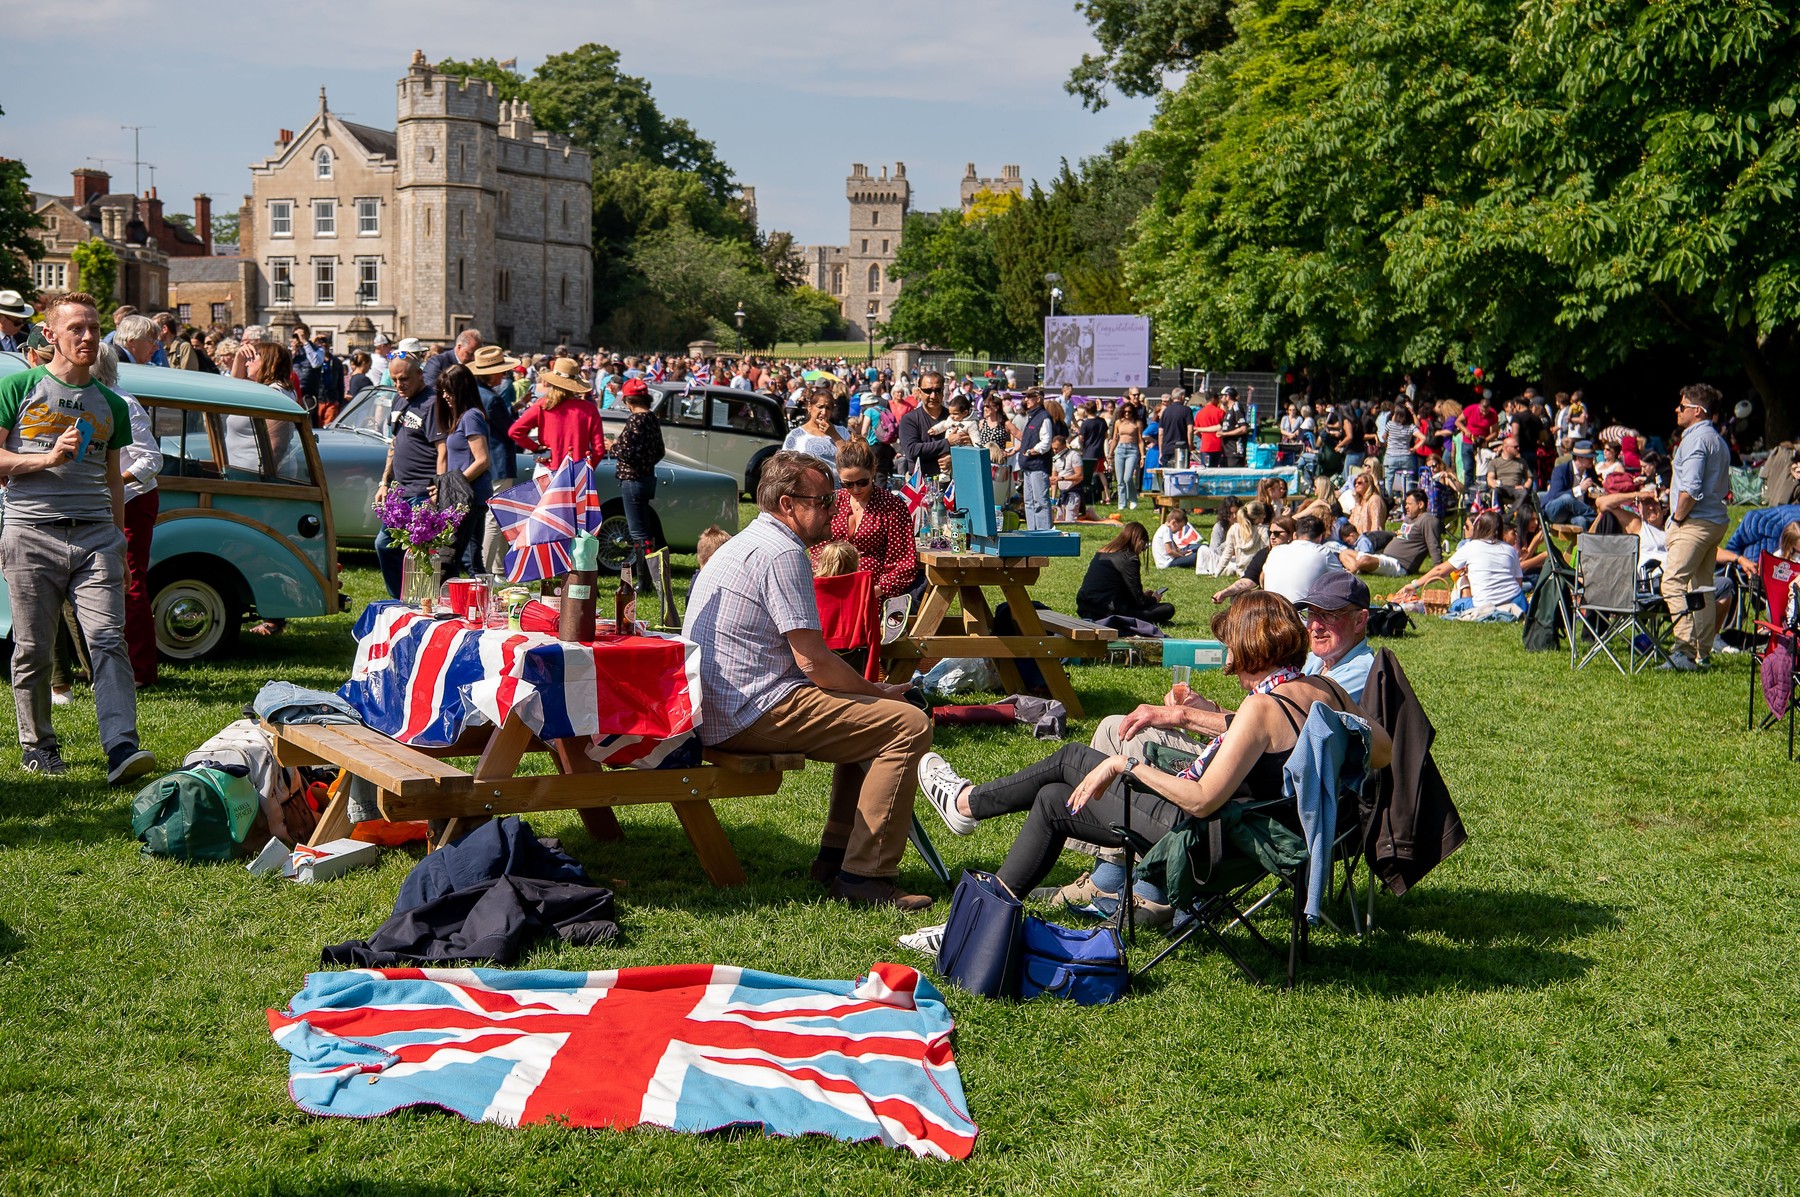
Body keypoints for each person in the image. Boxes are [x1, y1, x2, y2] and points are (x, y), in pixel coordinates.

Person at [915, 591, 1390, 918]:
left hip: (1211, 843)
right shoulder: (1323, 690)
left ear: (1249, 648)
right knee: (1054, 799)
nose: (1227, 660)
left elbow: (1202, 798)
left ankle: (965, 804)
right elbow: (1383, 750)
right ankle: (987, 907)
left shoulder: (1261, 708)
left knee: (1072, 759)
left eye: (1230, 648)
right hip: (1262, 833)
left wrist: (1127, 764)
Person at [682, 451, 934, 911]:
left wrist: (863, 692)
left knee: (874, 722)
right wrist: (875, 689)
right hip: (751, 710)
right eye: (822, 502)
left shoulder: (745, 542)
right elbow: (814, 662)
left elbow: (812, 665)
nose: (833, 511)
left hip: (723, 706)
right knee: (907, 723)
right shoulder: (782, 552)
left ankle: (836, 858)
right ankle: (866, 877)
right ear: (786, 505)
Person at [0, 292, 157, 783]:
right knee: (33, 647)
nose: (88, 337)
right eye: (76, 329)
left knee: (108, 639)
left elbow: (114, 478)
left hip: (96, 537)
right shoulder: (19, 387)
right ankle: (39, 745)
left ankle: (121, 746)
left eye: (93, 327)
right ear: (50, 336)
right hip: (30, 532)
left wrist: (117, 538)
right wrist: (47, 459)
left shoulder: (111, 403)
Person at [90, 344, 162, 689]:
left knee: (129, 583)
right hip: (100, 501)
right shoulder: (88, 400)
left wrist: (112, 483)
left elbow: (150, 460)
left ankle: (141, 671)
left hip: (132, 501)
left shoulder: (124, 403)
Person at [1660, 383, 1731, 670]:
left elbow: (1689, 490)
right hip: (1714, 520)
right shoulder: (1717, 440)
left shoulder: (1694, 440)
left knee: (1672, 581)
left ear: (1697, 411)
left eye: (1682, 406)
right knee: (1701, 586)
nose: (1677, 410)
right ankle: (1702, 653)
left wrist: (1677, 519)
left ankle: (1684, 651)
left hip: (1694, 521)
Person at [372, 356, 444, 598]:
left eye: (404, 379)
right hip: (400, 491)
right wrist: (384, 482)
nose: (399, 384)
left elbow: (442, 448)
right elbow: (395, 443)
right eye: (394, 379)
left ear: (419, 375)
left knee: (421, 552)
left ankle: (422, 602)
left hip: (423, 489)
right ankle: (400, 598)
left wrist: (439, 486)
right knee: (384, 544)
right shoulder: (398, 400)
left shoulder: (432, 403)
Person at [818, 439, 919, 602]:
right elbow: (818, 545)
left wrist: (875, 591)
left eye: (862, 482)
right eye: (848, 484)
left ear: (873, 470)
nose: (856, 489)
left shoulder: (891, 506)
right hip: (830, 588)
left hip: (872, 593)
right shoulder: (834, 500)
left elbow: (904, 562)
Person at [1396, 510, 1525, 616]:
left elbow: (1440, 571)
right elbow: (1518, 583)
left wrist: (1414, 585)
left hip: (1484, 604)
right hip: (1517, 601)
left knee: (1457, 600)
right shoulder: (1510, 549)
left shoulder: (1471, 546)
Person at [437, 364, 492, 576]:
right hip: (464, 497)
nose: (444, 396)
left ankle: (470, 603)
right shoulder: (462, 417)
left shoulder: (471, 417)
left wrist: (451, 486)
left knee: (455, 558)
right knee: (469, 560)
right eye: (442, 391)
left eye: (449, 391)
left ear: (462, 390)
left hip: (468, 498)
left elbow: (482, 460)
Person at [608, 378, 665, 581]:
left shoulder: (635, 420)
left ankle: (644, 580)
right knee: (645, 531)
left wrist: (612, 446)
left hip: (632, 480)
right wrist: (646, 464)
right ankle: (649, 576)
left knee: (638, 533)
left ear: (627, 401)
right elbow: (660, 451)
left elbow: (629, 452)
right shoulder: (651, 418)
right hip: (648, 478)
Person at [509, 357, 607, 468]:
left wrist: (535, 448)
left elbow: (514, 431)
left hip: (547, 467)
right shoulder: (589, 409)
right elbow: (599, 449)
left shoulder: (543, 404)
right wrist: (588, 469)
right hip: (577, 471)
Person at [1076, 522, 1174, 625]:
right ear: (1139, 541)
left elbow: (1115, 588)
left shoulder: (1102, 553)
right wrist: (1154, 599)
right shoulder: (1129, 559)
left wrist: (1144, 595)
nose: (1141, 551)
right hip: (1109, 612)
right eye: (1143, 546)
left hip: (1086, 607)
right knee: (1168, 608)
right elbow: (1140, 602)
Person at [1344, 488, 1442, 576]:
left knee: (1364, 560)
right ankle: (1360, 568)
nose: (1406, 507)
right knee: (1345, 553)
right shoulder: (1409, 519)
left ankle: (1351, 572)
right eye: (1406, 504)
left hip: (1399, 565)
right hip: (1385, 557)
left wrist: (1439, 569)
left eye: (1410, 504)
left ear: (1420, 504)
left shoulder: (1428, 520)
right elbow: (1402, 536)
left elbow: (1433, 545)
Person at [896, 371, 970, 478]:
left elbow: (970, 449)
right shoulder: (909, 419)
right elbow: (912, 451)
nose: (933, 396)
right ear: (919, 392)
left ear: (943, 391)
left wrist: (954, 459)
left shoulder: (957, 417)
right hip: (920, 483)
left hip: (952, 483)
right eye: (928, 391)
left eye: (938, 390)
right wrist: (947, 443)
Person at [783, 382, 849, 470]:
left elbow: (852, 460)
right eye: (820, 407)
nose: (824, 412)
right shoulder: (796, 435)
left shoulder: (842, 432)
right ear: (810, 407)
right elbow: (785, 466)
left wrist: (834, 435)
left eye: (828, 408)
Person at [1018, 386, 1055, 531]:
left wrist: (1032, 451)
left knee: (1040, 501)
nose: (1026, 400)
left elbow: (1046, 443)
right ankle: (1032, 532)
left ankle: (1044, 533)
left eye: (1029, 397)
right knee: (1028, 501)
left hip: (1038, 465)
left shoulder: (1044, 417)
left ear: (1038, 399)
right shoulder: (1032, 416)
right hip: (1028, 466)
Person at [1543, 440, 1600, 529]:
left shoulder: (1590, 471)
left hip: (1574, 513)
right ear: (1579, 458)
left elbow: (1599, 486)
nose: (1592, 460)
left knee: (1582, 521)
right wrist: (1579, 489)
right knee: (1567, 498)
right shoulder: (1560, 470)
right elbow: (1556, 495)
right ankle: (1595, 517)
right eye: (1589, 458)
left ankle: (1587, 542)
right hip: (1555, 510)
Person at [1218, 499, 1269, 577]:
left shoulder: (1234, 529)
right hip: (1257, 572)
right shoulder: (1263, 530)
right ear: (1259, 516)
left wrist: (1217, 572)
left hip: (1241, 572)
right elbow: (1269, 549)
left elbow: (1227, 552)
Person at [421, 328, 482, 393]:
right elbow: (430, 392)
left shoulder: (476, 366)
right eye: (470, 354)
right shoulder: (438, 362)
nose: (473, 359)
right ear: (459, 347)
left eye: (475, 355)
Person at [1109, 400, 1144, 510]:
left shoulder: (1137, 423)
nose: (1127, 414)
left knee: (1128, 477)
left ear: (1132, 412)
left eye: (1129, 412)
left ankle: (1133, 499)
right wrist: (1110, 454)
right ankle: (1122, 503)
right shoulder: (1118, 422)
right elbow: (1115, 438)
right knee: (1120, 480)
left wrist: (1142, 456)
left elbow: (1140, 440)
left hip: (1132, 450)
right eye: (1125, 412)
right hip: (1120, 449)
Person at [1052, 433, 1085, 522]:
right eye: (1053, 448)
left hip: (1073, 493)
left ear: (1064, 446)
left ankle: (1088, 513)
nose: (1055, 451)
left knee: (1070, 522)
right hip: (1062, 494)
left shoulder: (1074, 456)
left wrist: (1062, 478)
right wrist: (1053, 499)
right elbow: (1054, 479)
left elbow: (1080, 476)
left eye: (1057, 448)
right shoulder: (1055, 459)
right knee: (1059, 521)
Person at [1159, 387, 1193, 471]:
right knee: (1181, 475)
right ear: (1181, 396)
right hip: (1181, 449)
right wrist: (1190, 445)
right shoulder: (1187, 410)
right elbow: (1190, 429)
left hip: (1167, 448)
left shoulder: (1165, 412)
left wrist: (1161, 451)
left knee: (1166, 477)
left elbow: (1160, 433)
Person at [1194, 390, 1224, 468]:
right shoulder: (1220, 412)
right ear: (1214, 399)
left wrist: (1202, 436)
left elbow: (1196, 430)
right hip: (1218, 446)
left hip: (1205, 446)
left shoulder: (1199, 413)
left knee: (1206, 471)